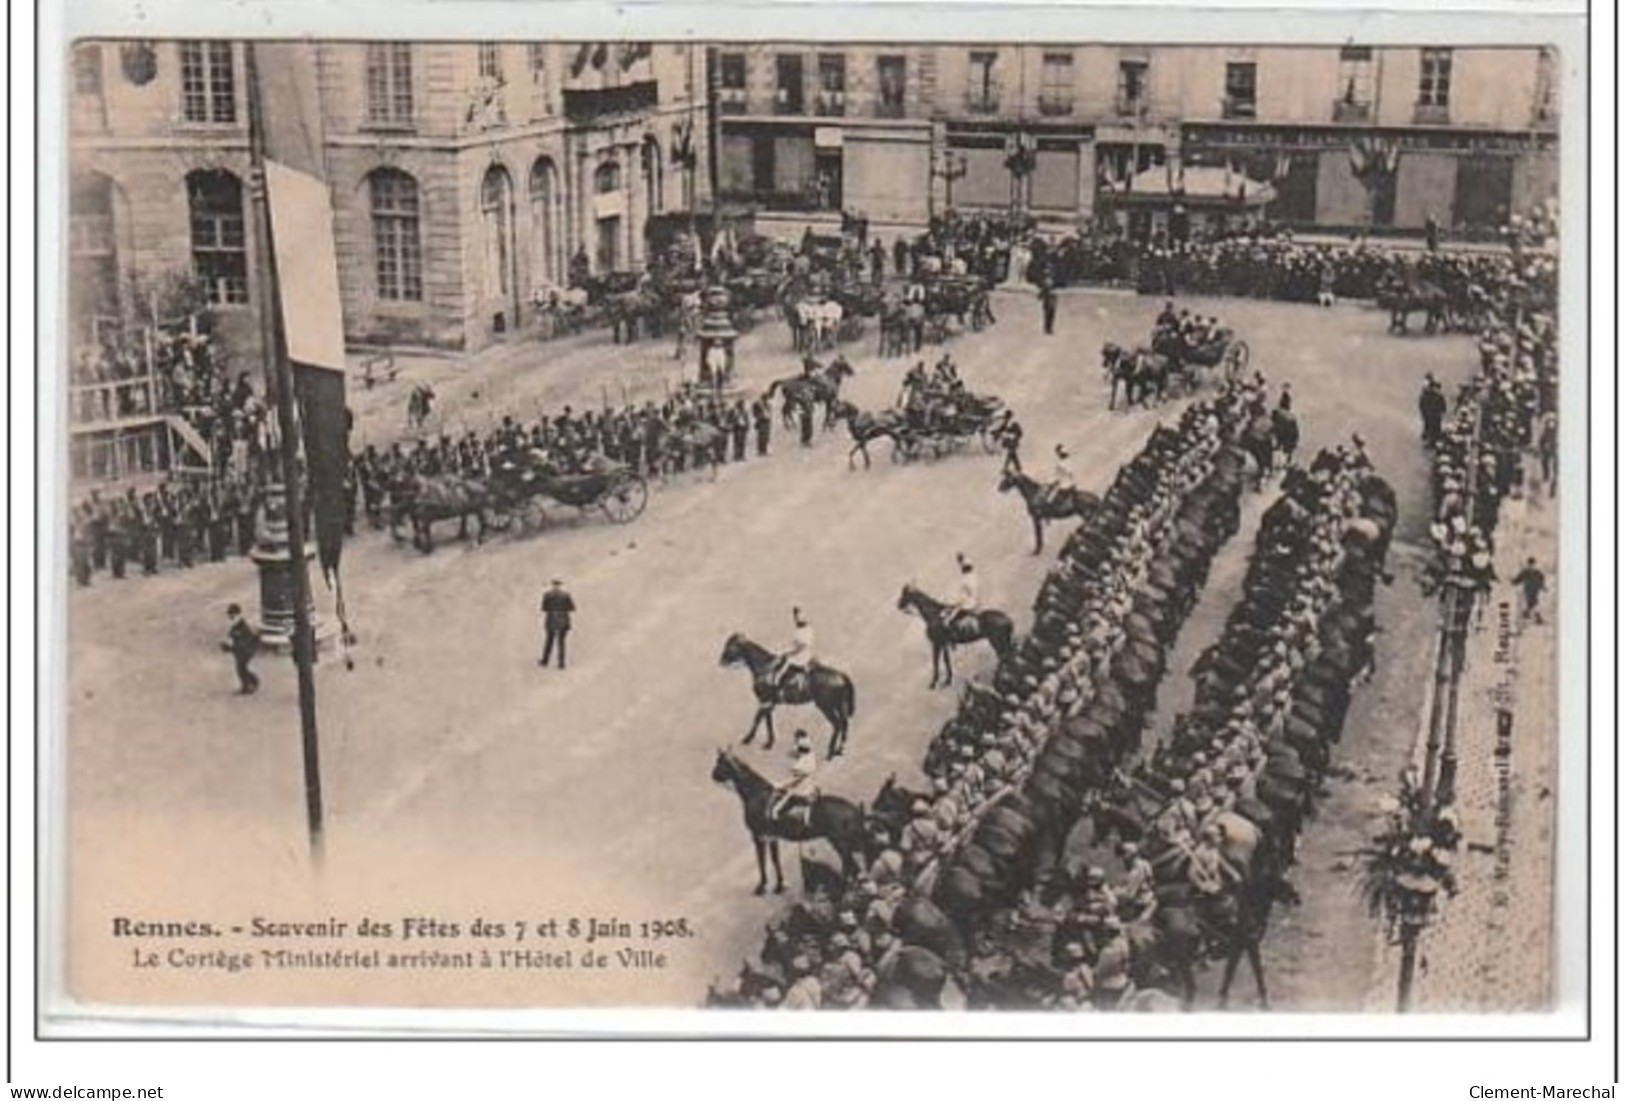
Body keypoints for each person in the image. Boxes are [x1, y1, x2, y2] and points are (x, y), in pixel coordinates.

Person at [769, 729, 820, 827]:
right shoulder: (810, 757)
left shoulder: (801, 764)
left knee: (776, 808)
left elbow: (793, 781)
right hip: (809, 787)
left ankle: (776, 821)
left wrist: (779, 785)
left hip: (801, 791)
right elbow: (792, 753)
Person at [221, 603, 261, 695]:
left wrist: (230, 648)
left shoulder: (243, 628)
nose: (231, 618)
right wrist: (227, 645)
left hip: (247, 650)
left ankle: (247, 686)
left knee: (241, 668)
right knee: (242, 668)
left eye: (232, 616)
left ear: (238, 615)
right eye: (230, 616)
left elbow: (243, 643)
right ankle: (252, 681)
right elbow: (231, 639)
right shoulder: (235, 627)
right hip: (241, 651)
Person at [775, 607, 816, 694]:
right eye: (796, 617)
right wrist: (784, 650)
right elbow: (794, 643)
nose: (797, 619)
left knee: (787, 662)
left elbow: (803, 645)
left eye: (799, 616)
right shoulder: (798, 629)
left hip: (803, 654)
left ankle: (777, 682)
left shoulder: (807, 629)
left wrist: (791, 653)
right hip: (797, 651)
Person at [539, 578, 576, 669]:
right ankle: (561, 663)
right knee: (561, 642)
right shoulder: (566, 595)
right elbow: (572, 608)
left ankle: (545, 661)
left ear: (552, 585)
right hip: (563, 619)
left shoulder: (547, 595)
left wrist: (552, 609)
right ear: (561, 585)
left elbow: (544, 608)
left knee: (549, 641)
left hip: (551, 619)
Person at [944, 553, 979, 633]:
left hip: (968, 603)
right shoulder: (973, 576)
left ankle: (955, 635)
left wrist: (955, 603)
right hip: (974, 601)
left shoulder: (965, 580)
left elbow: (964, 595)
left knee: (949, 620)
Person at [1511, 557, 1547, 626]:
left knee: (1533, 603)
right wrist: (1513, 582)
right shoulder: (1526, 572)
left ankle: (1529, 614)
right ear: (1528, 564)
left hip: (1535, 589)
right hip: (1528, 589)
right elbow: (1519, 579)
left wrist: (1543, 587)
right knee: (1531, 603)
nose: (1531, 566)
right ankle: (1531, 615)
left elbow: (1541, 580)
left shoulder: (1537, 573)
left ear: (1534, 564)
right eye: (1530, 564)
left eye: (1532, 564)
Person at [1418, 374, 1447, 448]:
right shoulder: (1429, 394)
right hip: (1431, 413)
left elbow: (1442, 404)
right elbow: (1422, 403)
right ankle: (1431, 438)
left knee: (1433, 426)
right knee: (1431, 425)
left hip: (1434, 413)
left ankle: (1433, 440)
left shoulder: (1435, 395)